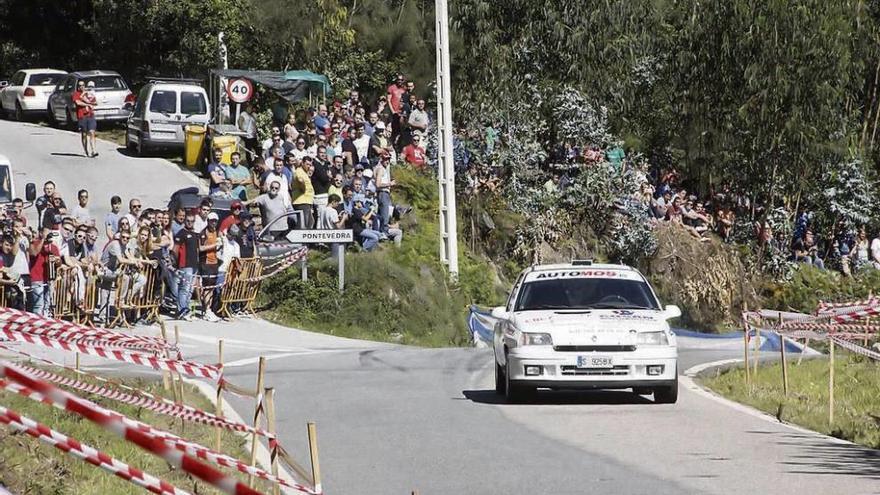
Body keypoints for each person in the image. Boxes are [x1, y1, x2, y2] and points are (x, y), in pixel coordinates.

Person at [173, 212, 200, 321]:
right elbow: (175, 250)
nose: (189, 223)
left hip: (194, 265)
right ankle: (182, 310)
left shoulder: (194, 234)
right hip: (185, 265)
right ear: (185, 221)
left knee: (190, 290)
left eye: (192, 221)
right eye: (187, 221)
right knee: (184, 288)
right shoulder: (181, 233)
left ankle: (187, 309)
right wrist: (178, 261)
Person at [29, 231, 60, 316]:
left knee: (47, 305)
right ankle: (37, 325)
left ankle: (45, 325)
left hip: (48, 279)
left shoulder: (53, 247)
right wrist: (42, 239)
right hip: (36, 279)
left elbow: (59, 263)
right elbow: (34, 253)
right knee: (39, 305)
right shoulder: (35, 244)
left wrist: (57, 261)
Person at [199, 213, 222, 322]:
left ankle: (209, 309)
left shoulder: (216, 232)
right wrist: (214, 245)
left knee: (212, 287)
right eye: (212, 221)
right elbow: (200, 248)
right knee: (207, 287)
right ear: (208, 221)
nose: (213, 223)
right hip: (206, 263)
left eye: (215, 221)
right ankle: (206, 309)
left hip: (215, 262)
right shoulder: (204, 233)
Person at [73, 80, 97, 157]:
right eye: (80, 85)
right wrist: (87, 104)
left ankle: (93, 150)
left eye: (83, 85)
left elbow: (95, 102)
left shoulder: (88, 94)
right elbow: (78, 102)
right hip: (82, 116)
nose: (82, 87)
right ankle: (86, 151)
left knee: (92, 132)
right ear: (78, 87)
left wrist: (91, 103)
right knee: (84, 134)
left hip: (90, 115)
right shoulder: (76, 94)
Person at [373, 154, 396, 232]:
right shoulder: (381, 169)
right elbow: (378, 184)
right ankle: (384, 233)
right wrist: (390, 184)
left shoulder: (381, 168)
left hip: (383, 194)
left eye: (388, 159)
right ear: (381, 159)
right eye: (385, 159)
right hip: (383, 193)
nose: (387, 161)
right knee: (384, 216)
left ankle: (381, 232)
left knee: (381, 216)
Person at [291, 159, 314, 229]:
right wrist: (303, 188)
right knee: (303, 224)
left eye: (310, 165)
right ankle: (299, 239)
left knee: (310, 222)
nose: (309, 166)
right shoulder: (299, 171)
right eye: (307, 164)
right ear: (302, 163)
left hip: (306, 201)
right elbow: (300, 180)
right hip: (301, 201)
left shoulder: (304, 172)